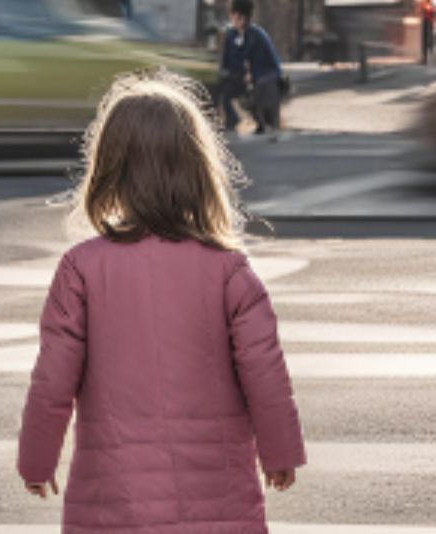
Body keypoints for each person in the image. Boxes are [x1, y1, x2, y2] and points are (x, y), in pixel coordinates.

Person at [17, 70, 306, 534]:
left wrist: (36, 458)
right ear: (197, 169)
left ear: (109, 169)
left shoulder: (82, 269)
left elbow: (53, 380)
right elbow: (265, 371)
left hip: (113, 503)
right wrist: (280, 453)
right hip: (217, 501)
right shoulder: (228, 270)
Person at [220, 0, 284, 136]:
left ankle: (262, 122)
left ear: (244, 18)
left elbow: (243, 54)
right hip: (255, 78)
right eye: (234, 18)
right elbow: (233, 59)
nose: (235, 21)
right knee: (231, 91)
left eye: (237, 18)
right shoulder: (238, 34)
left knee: (252, 95)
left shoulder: (255, 34)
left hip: (266, 78)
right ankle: (239, 120)